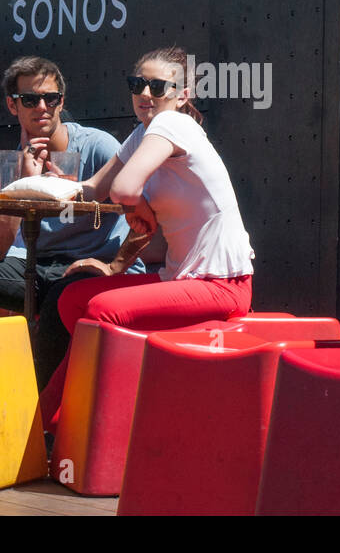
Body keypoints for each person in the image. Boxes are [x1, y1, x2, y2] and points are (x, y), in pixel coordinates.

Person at [46, 46, 255, 419]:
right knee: (71, 299)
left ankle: (61, 421)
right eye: (137, 84)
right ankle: (80, 418)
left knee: (101, 310)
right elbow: (94, 189)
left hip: (223, 284)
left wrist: (138, 208)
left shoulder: (172, 123)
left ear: (181, 95)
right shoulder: (144, 133)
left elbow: (125, 190)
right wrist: (42, 185)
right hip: (182, 277)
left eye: (158, 87)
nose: (145, 94)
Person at [0, 57, 142, 390]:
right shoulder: (13, 166)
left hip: (93, 269)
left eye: (51, 99)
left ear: (61, 102)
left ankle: (36, 412)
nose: (42, 107)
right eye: (30, 100)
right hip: (41, 269)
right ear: (12, 105)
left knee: (59, 297)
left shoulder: (98, 147)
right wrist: (20, 188)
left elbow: (147, 213)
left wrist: (114, 265)